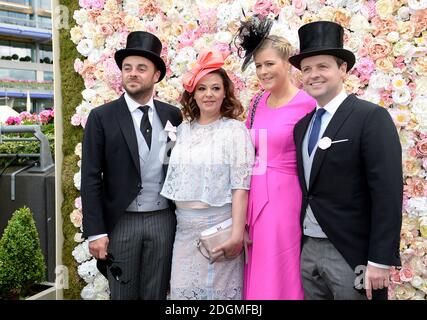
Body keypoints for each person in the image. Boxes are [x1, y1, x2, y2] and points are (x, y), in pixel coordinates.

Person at [290, 21, 403, 300]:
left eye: (322, 66)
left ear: (343, 69)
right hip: (309, 251)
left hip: (352, 253)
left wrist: (379, 260)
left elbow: (388, 192)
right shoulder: (301, 127)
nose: (313, 75)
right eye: (306, 69)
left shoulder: (369, 117)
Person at [81, 31, 182, 300]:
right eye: (127, 68)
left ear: (156, 75)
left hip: (163, 220)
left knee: (156, 293)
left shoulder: (172, 115)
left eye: (141, 68)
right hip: (122, 222)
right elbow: (90, 176)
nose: (133, 73)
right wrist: (96, 232)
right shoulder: (102, 117)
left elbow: (174, 164)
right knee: (122, 294)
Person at [160, 48, 254, 300]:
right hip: (184, 231)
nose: (208, 94)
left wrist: (236, 232)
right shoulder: (181, 131)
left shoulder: (235, 131)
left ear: (225, 93)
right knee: (182, 295)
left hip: (219, 230)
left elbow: (241, 186)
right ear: (193, 93)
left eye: (215, 88)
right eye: (202, 88)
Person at [234, 15, 316, 299]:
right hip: (254, 196)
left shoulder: (307, 103)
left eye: (269, 64)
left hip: (285, 198)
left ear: (287, 63)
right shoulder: (257, 101)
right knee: (256, 266)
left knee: (280, 267)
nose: (263, 71)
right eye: (258, 65)